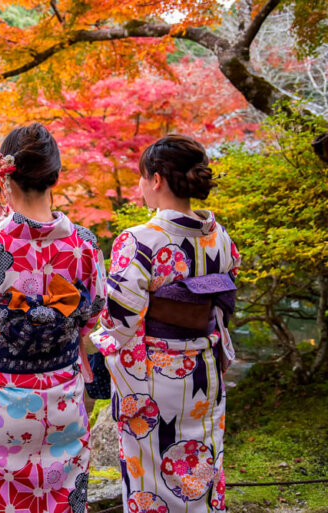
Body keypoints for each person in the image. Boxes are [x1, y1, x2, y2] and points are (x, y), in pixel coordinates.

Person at [0, 122, 106, 513]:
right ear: (56, 176)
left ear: (6, 176)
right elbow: (94, 310)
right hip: (64, 396)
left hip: (2, 404)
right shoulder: (84, 244)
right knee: (65, 501)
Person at [90, 134, 241, 513]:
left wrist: (94, 344)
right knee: (201, 464)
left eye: (142, 177)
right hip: (205, 372)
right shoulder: (219, 237)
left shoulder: (138, 240)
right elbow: (222, 307)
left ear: (156, 179)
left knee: (150, 479)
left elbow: (120, 323)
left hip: (154, 378)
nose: (140, 186)